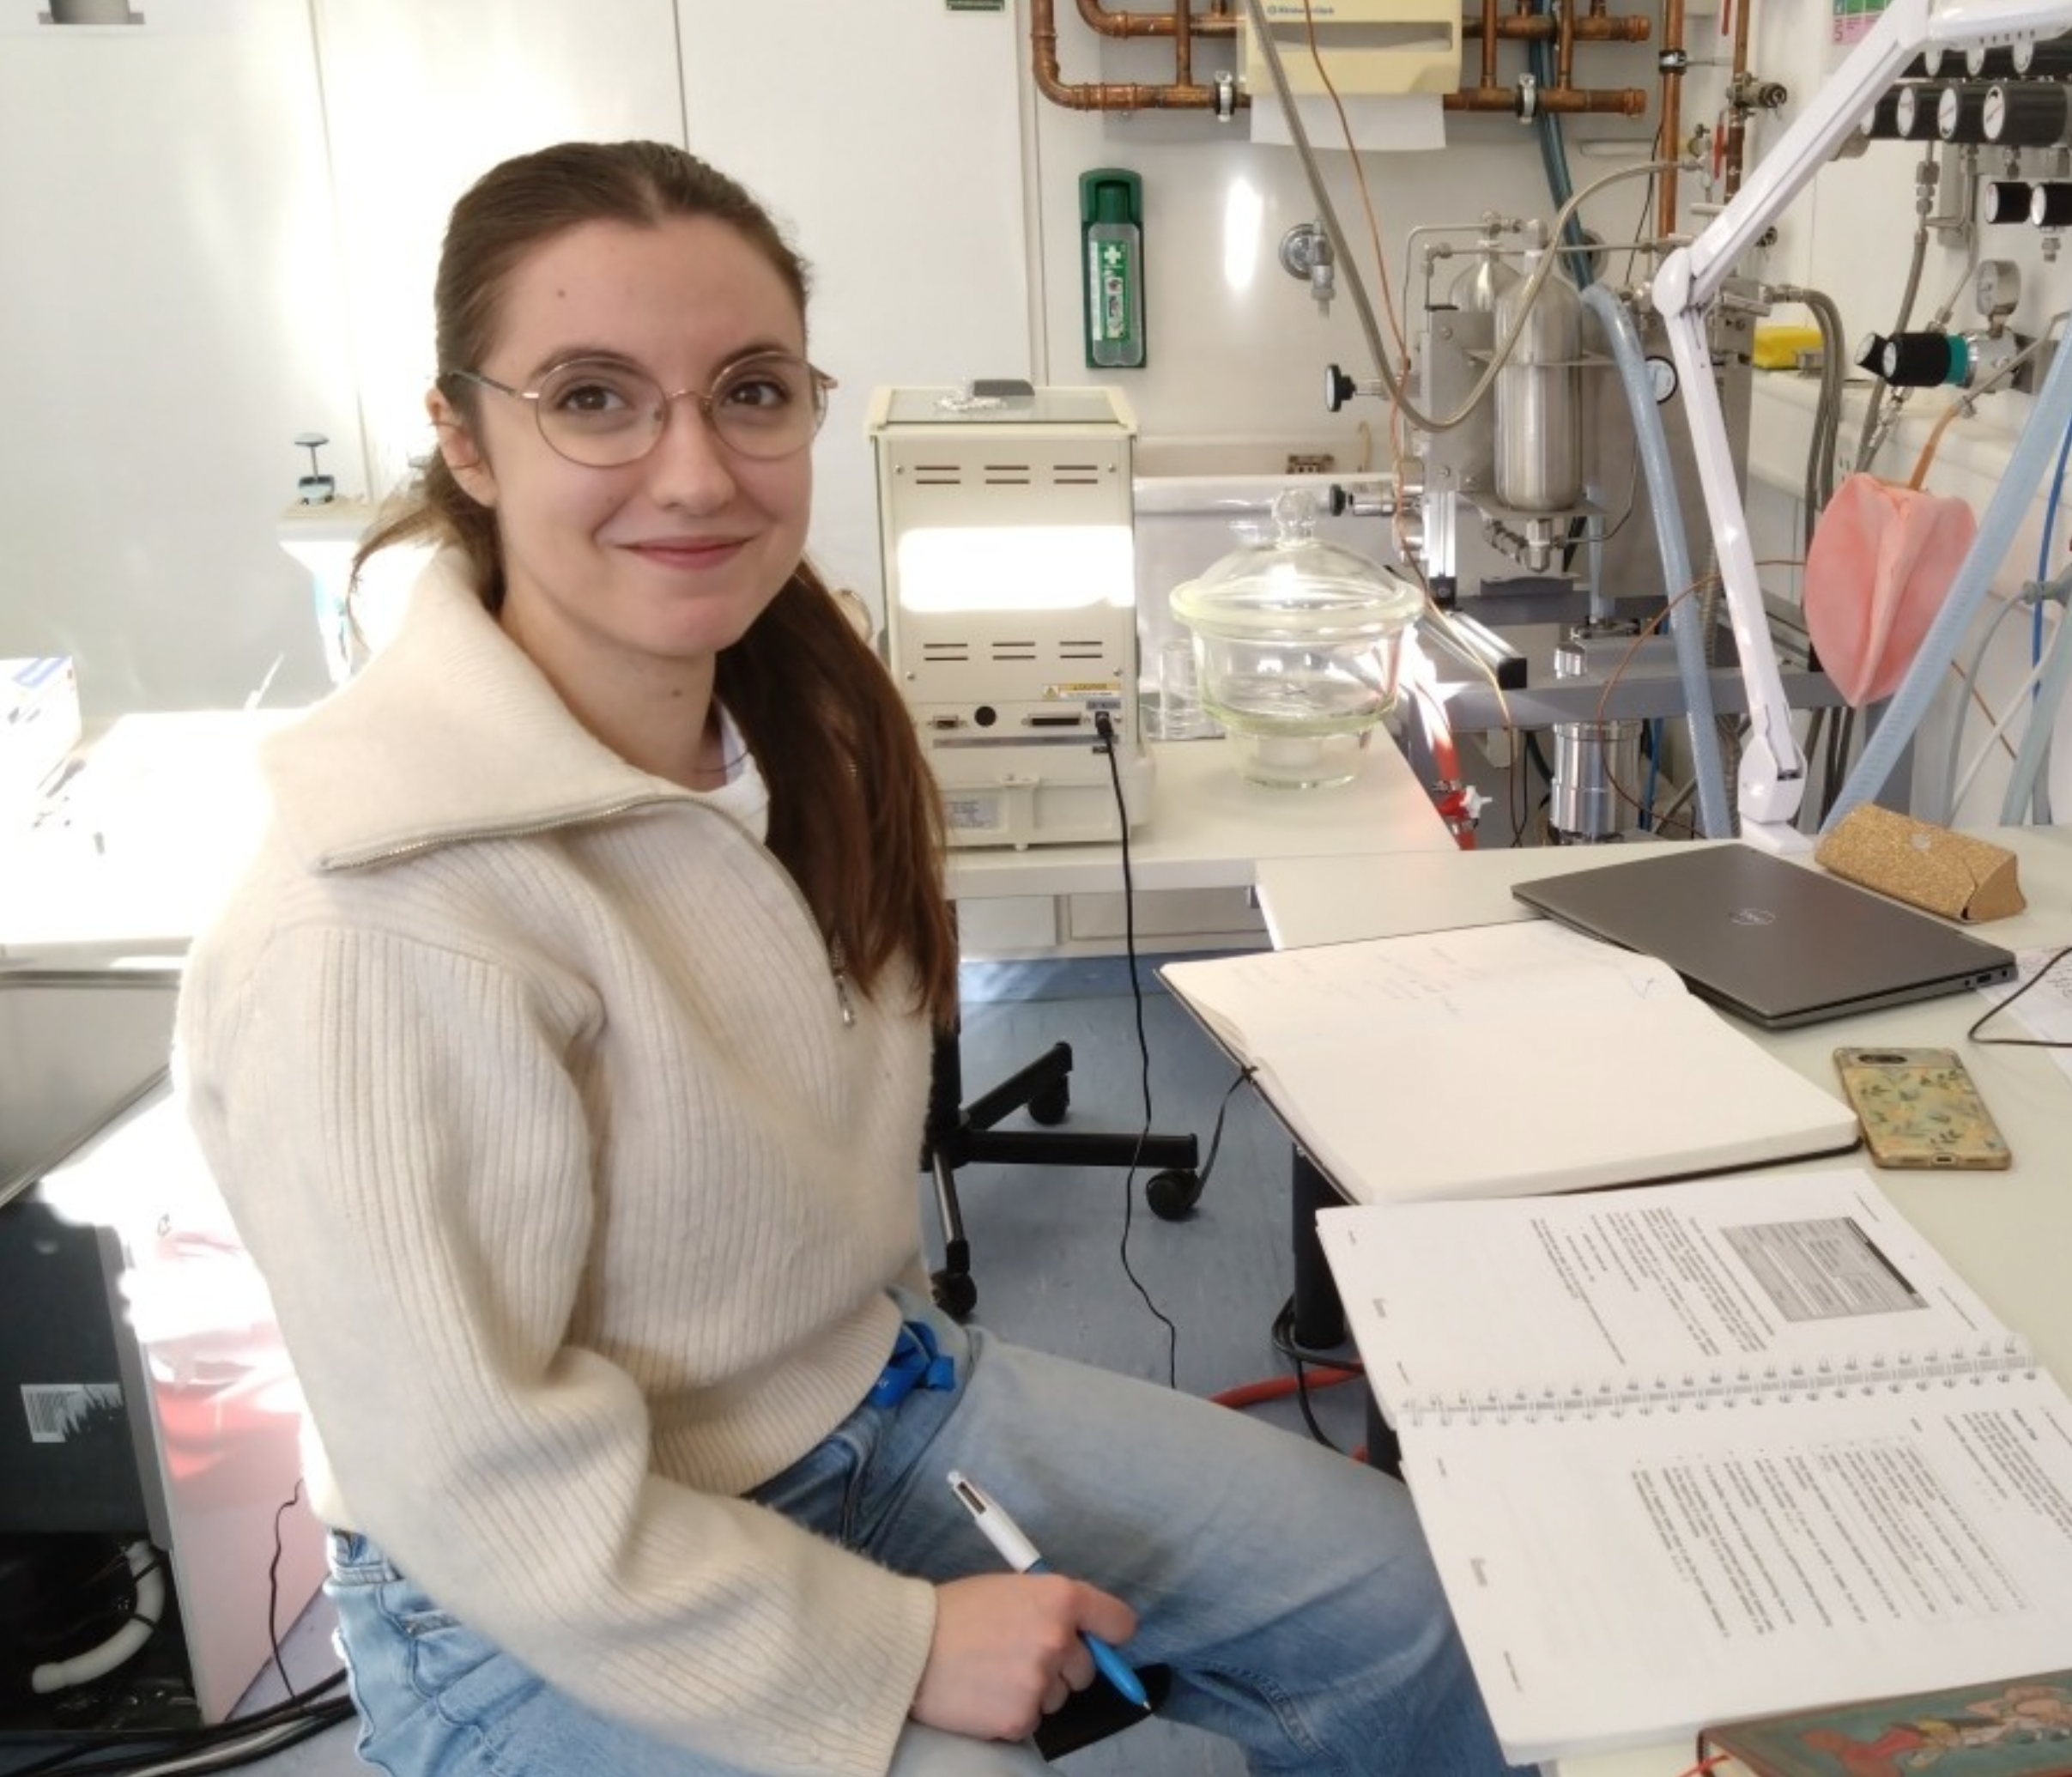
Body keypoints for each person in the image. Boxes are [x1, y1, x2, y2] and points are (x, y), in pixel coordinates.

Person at [176, 139, 1524, 1777]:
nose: (692, 474)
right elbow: (481, 1483)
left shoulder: (793, 731)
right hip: (528, 1595)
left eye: (748, 393)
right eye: (593, 398)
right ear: (463, 435)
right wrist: (890, 1646)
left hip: (873, 1402)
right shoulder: (377, 914)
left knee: (1414, 1600)